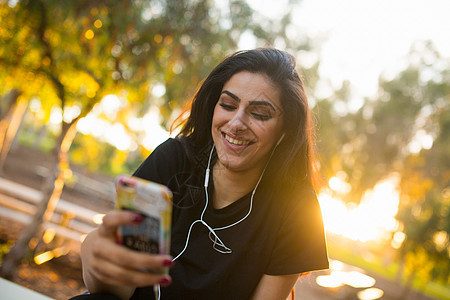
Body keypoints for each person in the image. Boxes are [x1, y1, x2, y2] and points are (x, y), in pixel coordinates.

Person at [75, 48, 328, 300]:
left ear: (284, 132)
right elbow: (118, 291)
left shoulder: (298, 208)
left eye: (259, 114)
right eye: (228, 105)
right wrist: (94, 257)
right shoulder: (173, 159)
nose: (237, 123)